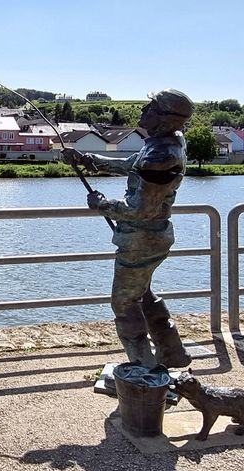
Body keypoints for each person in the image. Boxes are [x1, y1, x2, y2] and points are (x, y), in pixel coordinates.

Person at [61, 89, 195, 368]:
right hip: (152, 236)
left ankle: (144, 372)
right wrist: (88, 160)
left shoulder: (160, 155)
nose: (144, 110)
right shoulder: (166, 142)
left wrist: (103, 204)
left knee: (123, 303)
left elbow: (141, 210)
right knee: (142, 293)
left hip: (141, 240)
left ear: (167, 118)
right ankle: (173, 353)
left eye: (153, 107)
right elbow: (131, 165)